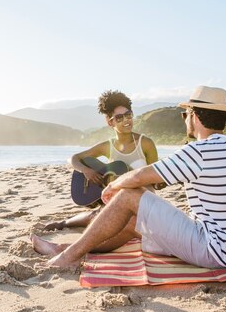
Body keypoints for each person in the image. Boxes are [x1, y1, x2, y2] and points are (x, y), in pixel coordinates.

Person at [33, 86, 226, 269]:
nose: (185, 120)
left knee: (127, 196)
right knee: (134, 219)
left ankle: (68, 257)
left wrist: (114, 186)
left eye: (185, 115)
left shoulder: (198, 151)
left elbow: (142, 176)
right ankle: (64, 247)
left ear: (195, 116)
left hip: (210, 250)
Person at [42, 90, 158, 232]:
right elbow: (74, 158)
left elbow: (157, 180)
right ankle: (64, 223)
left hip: (144, 200)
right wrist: (86, 171)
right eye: (119, 118)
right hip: (116, 202)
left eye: (128, 115)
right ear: (110, 122)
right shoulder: (107, 146)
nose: (126, 120)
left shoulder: (145, 143)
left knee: (111, 219)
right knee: (99, 214)